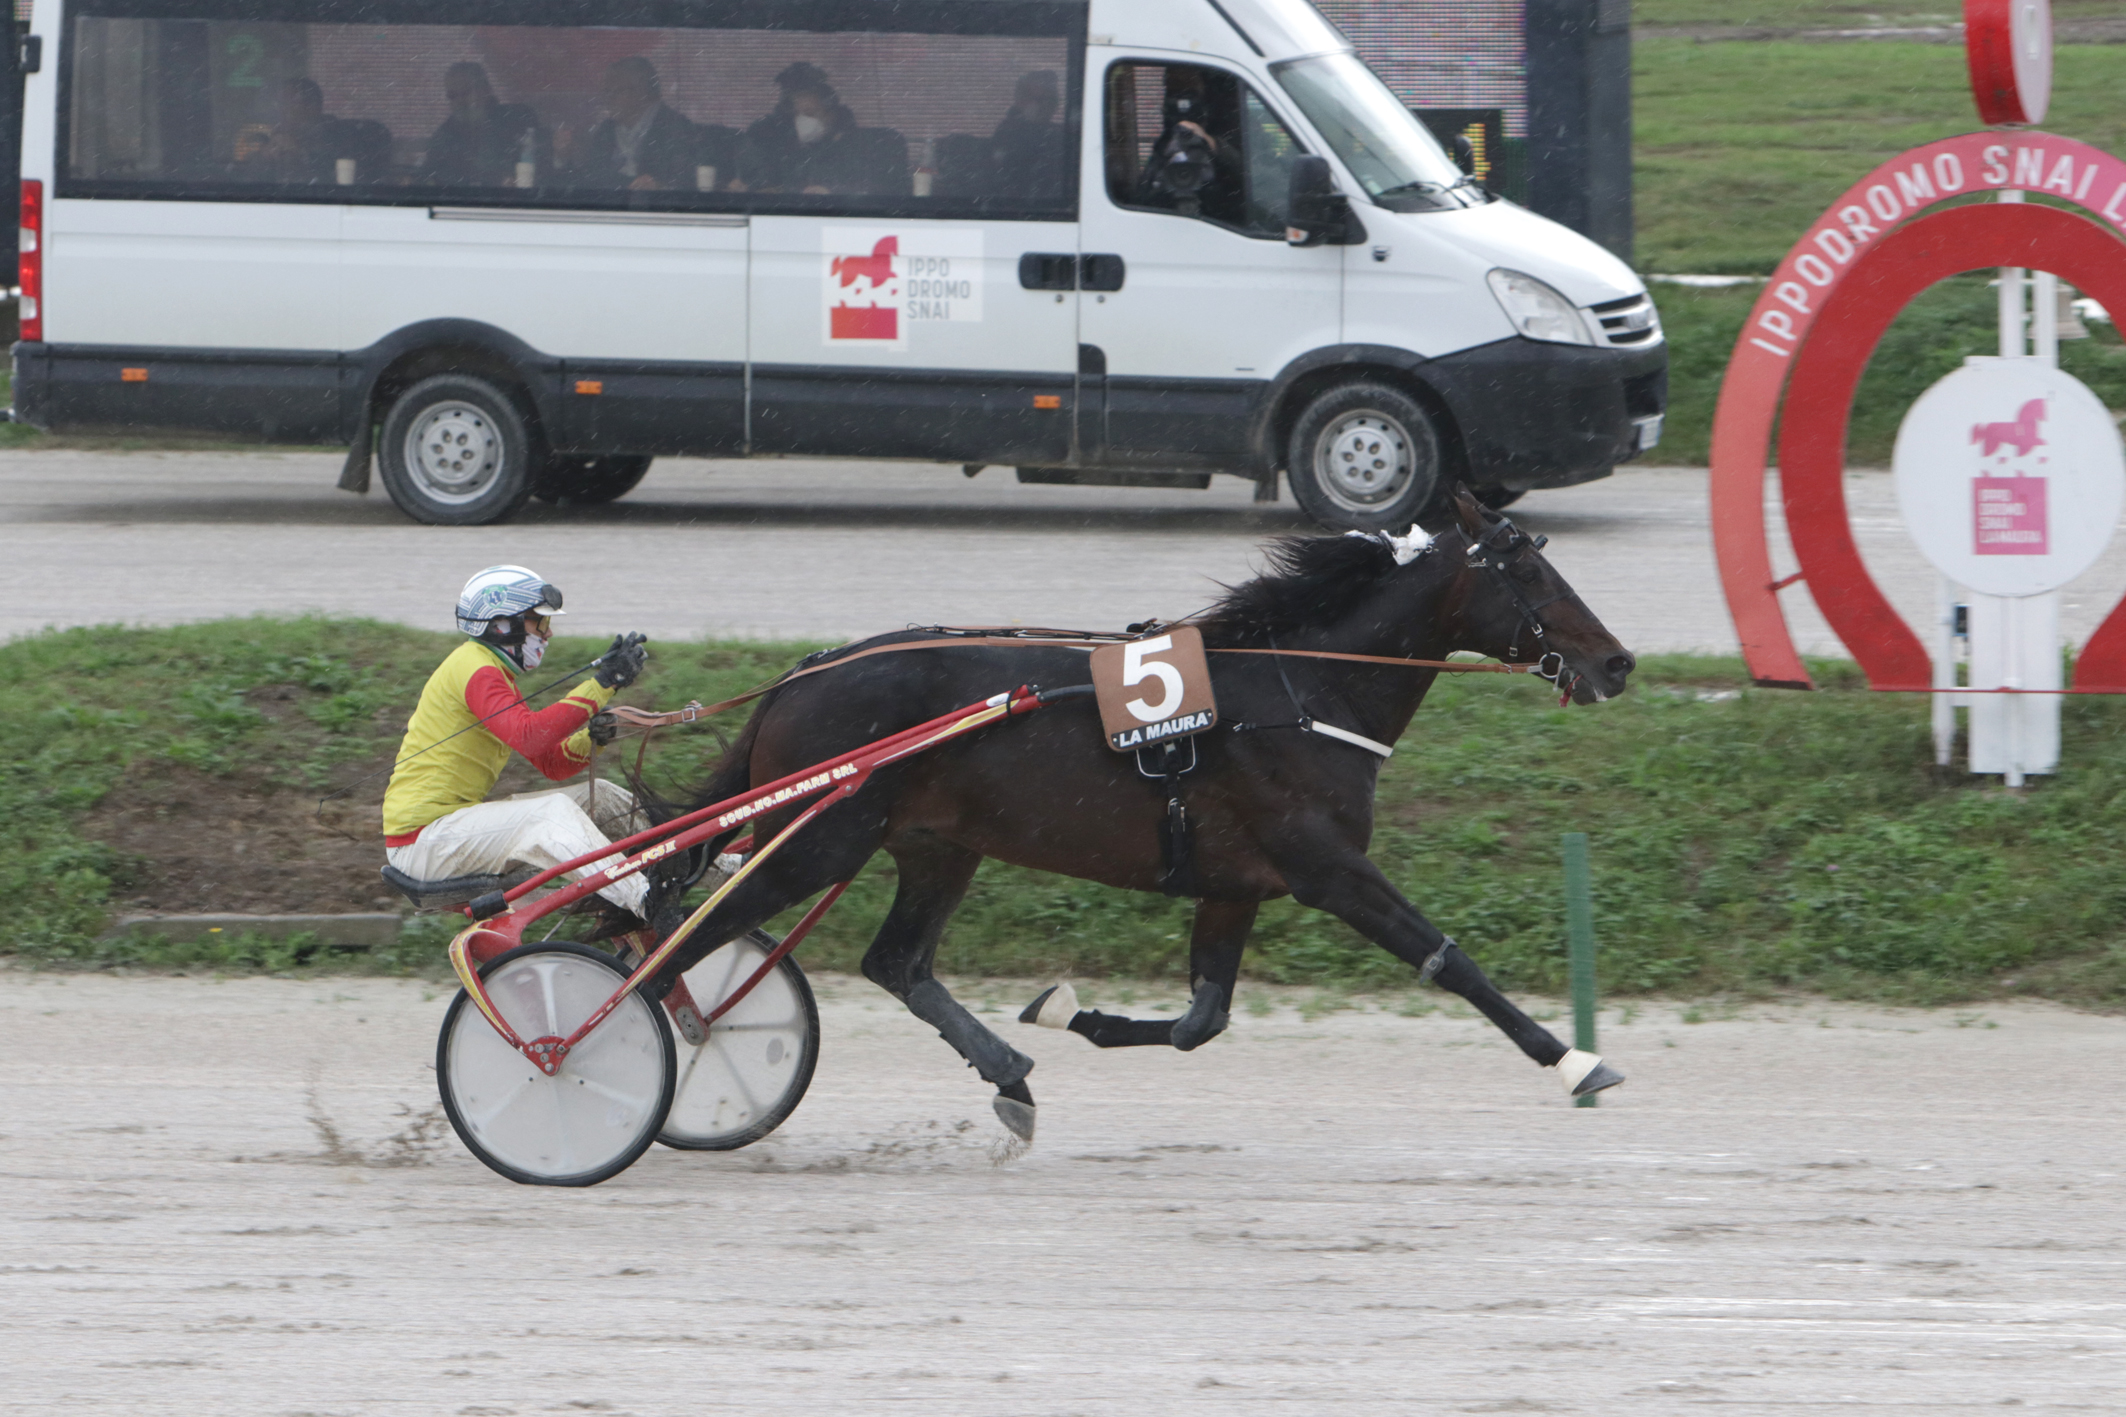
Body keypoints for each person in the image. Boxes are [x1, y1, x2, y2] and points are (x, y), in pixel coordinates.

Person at [382, 566, 654, 933]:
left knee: (599, 796)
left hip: (444, 835)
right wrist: (603, 684)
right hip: (423, 843)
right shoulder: (476, 670)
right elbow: (531, 737)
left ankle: (707, 869)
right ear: (502, 624)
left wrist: (591, 738)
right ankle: (648, 900)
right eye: (539, 623)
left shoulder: (491, 672)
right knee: (549, 813)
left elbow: (551, 763)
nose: (549, 632)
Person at [557, 57, 701, 190]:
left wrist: (661, 188)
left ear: (642, 92)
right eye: (606, 92)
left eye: (616, 91)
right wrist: (564, 158)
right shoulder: (606, 130)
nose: (608, 98)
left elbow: (688, 185)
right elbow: (586, 184)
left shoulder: (677, 129)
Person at [736, 62, 879, 194]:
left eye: (812, 113)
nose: (804, 118)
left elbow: (865, 186)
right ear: (788, 106)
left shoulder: (852, 141)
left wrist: (831, 192)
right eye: (797, 99)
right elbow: (754, 179)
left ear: (829, 107)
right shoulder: (764, 135)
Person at [421, 62, 543, 188]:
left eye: (466, 92)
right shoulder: (444, 135)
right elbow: (429, 177)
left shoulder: (518, 119)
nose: (459, 100)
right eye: (452, 96)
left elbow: (539, 166)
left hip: (514, 203)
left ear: (486, 90)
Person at [239, 77, 355, 184]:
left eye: (288, 103)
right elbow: (247, 186)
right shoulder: (276, 136)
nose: (281, 109)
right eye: (279, 103)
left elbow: (331, 184)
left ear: (312, 107)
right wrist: (265, 156)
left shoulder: (339, 136)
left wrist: (300, 153)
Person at [989, 70, 1064, 203]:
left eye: (1051, 99)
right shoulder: (1009, 132)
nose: (1047, 105)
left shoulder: (1060, 134)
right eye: (1039, 99)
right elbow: (1008, 176)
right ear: (1021, 101)